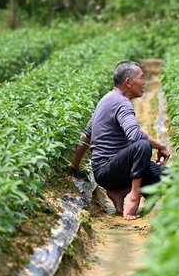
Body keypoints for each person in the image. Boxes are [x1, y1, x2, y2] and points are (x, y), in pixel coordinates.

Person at [71, 61, 171, 220]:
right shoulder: (122, 103)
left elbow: (86, 136)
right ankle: (133, 195)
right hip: (110, 170)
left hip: (105, 172)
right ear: (128, 82)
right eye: (141, 77)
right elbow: (135, 136)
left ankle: (120, 191)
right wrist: (160, 145)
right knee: (142, 145)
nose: (144, 82)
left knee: (170, 178)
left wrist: (74, 166)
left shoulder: (106, 99)